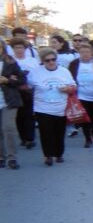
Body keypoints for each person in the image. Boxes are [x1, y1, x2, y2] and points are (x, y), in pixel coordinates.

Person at [28, 48, 76, 165]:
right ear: (42, 61)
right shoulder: (35, 72)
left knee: (59, 132)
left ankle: (59, 154)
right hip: (42, 108)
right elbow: (28, 86)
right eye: (47, 60)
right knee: (46, 132)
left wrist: (67, 89)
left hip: (60, 108)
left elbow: (73, 87)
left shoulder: (64, 71)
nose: (51, 62)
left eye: (53, 59)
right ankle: (48, 155)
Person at [8, 37, 38, 149]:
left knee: (29, 115)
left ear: (25, 48)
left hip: (29, 90)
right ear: (13, 49)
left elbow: (36, 74)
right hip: (15, 91)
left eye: (21, 47)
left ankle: (30, 138)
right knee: (19, 116)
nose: (19, 50)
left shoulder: (32, 61)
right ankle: (23, 138)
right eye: (16, 47)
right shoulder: (10, 61)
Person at [0, 41, 24, 169]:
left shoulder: (10, 62)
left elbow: (21, 79)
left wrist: (7, 80)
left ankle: (12, 157)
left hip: (9, 100)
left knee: (8, 128)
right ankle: (1, 156)